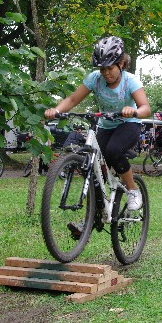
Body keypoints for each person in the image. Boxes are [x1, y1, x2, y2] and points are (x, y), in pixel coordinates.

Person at [44, 36, 151, 211]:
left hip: (128, 124)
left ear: (121, 64)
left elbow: (146, 108)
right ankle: (92, 216)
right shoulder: (94, 79)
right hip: (105, 126)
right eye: (102, 69)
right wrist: (56, 110)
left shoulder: (130, 81)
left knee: (113, 151)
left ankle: (132, 189)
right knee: (93, 169)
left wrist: (134, 111)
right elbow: (72, 99)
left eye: (110, 68)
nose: (106, 73)